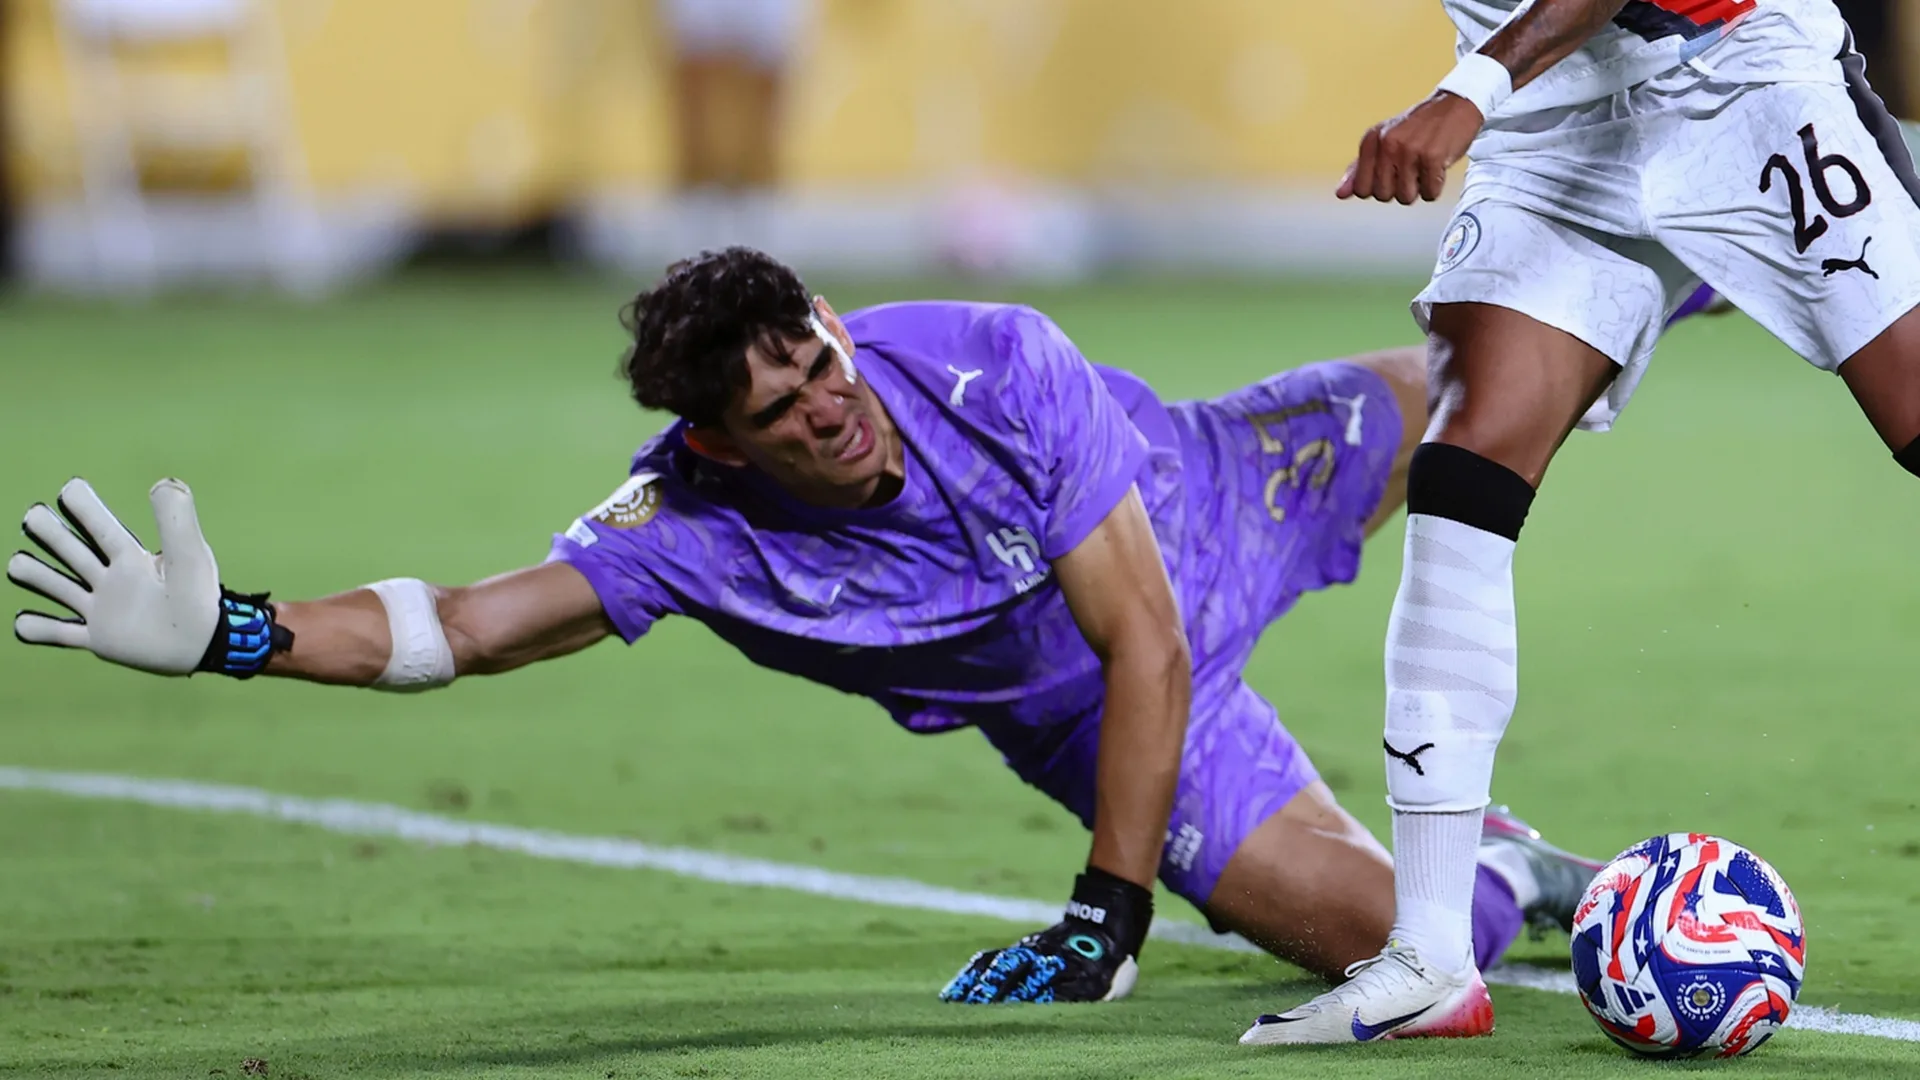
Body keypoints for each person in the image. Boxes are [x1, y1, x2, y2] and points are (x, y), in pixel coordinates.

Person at [9, 247, 1609, 1006]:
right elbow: (473, 627)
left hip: (1201, 495)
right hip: (1091, 714)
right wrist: (240, 632)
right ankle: (1525, 868)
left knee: (1510, 347)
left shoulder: (993, 355)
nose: (830, 412)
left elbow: (1151, 636)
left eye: (822, 364)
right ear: (718, 445)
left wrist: (1103, 921)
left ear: (835, 326)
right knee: (1417, 952)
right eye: (782, 412)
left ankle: (1793, 205)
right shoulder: (691, 533)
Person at [1242, 0, 1919, 1047]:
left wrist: (1469, 92)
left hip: (1739, 77)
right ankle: (1428, 957)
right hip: (1550, 119)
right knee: (1465, 465)